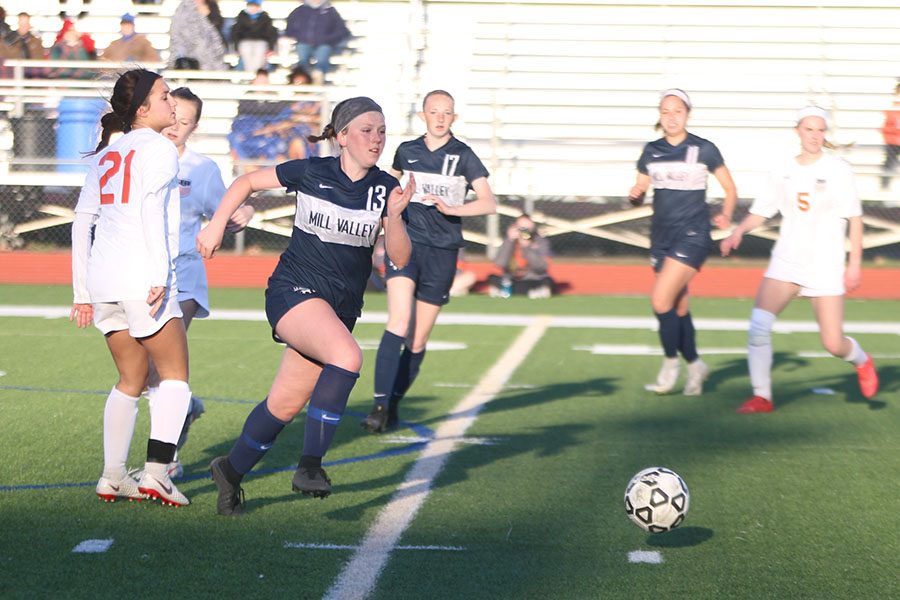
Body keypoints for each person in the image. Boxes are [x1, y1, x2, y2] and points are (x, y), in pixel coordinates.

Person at [199, 97, 414, 516]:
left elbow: (400, 259)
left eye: (382, 131)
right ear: (342, 135)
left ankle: (230, 471)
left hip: (338, 308)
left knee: (284, 404)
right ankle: (310, 466)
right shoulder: (313, 170)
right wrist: (215, 224)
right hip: (293, 290)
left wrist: (396, 218)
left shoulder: (386, 189)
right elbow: (245, 184)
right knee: (348, 357)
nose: (376, 139)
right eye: (367, 130)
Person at [70, 68, 192, 506]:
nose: (172, 104)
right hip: (142, 277)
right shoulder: (159, 148)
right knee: (175, 377)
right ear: (142, 109)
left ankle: (112, 475)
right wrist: (159, 274)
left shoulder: (108, 153)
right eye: (163, 98)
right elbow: (147, 211)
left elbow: (83, 221)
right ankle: (157, 473)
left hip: (104, 278)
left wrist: (81, 291)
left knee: (130, 378)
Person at [720, 106, 879, 413]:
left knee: (833, 344)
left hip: (826, 265)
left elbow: (855, 220)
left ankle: (862, 360)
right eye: (809, 129)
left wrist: (854, 265)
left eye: (820, 130)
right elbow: (762, 210)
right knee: (758, 326)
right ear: (798, 131)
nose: (815, 136)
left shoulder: (838, 169)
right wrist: (737, 232)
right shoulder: (783, 169)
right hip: (787, 262)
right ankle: (761, 396)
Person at [360, 89, 496, 434]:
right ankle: (378, 405)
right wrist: (380, 224)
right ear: (422, 116)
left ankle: (393, 404)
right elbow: (387, 189)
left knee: (418, 341)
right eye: (433, 111)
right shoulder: (407, 151)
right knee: (399, 320)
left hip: (444, 250)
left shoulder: (464, 156)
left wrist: (454, 209)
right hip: (407, 244)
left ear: (454, 117)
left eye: (446, 112)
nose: (439, 117)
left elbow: (488, 203)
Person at [145, 87, 255, 478]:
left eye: (186, 121)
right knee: (141, 375)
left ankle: (165, 459)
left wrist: (241, 212)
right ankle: (185, 408)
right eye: (173, 115)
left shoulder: (201, 168)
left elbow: (228, 208)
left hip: (184, 276)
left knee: (162, 368)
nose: (176, 126)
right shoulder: (138, 157)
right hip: (140, 277)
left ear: (195, 127)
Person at [628, 88, 737, 396]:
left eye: (677, 111)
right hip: (661, 237)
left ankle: (669, 364)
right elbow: (639, 188)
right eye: (666, 112)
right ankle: (695, 366)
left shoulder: (704, 149)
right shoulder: (651, 150)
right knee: (677, 308)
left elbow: (730, 189)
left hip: (693, 235)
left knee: (660, 301)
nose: (671, 117)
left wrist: (726, 215)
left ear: (687, 114)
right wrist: (634, 194)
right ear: (659, 116)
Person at [487, 213, 554, 298]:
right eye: (521, 228)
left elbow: (541, 267)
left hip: (532, 279)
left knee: (547, 281)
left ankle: (534, 292)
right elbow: (499, 263)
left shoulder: (540, 242)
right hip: (511, 279)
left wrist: (527, 247)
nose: (524, 232)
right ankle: (510, 291)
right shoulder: (509, 241)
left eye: (527, 229)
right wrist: (509, 241)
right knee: (493, 278)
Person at [284, 0, 350, 85]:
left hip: (324, 44)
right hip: (303, 42)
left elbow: (342, 30)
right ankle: (304, 81)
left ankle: (318, 82)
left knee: (322, 59)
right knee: (302, 60)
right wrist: (298, 37)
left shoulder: (330, 12)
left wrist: (328, 39)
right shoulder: (299, 11)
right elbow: (290, 28)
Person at [168, 0, 226, 71]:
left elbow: (218, 32)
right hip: (191, 57)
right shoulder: (184, 9)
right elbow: (179, 34)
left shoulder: (213, 6)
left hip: (214, 54)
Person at [230, 0, 278, 74]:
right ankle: (251, 74)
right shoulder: (241, 17)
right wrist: (236, 47)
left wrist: (270, 48)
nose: (253, 8)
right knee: (246, 50)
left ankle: (255, 73)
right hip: (245, 41)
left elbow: (270, 33)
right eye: (251, 6)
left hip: (261, 41)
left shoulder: (265, 17)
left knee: (260, 52)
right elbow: (236, 33)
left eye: (255, 6)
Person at [879, 82, 900, 191]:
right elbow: (886, 127)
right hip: (893, 141)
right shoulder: (892, 109)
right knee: (888, 164)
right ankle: (884, 187)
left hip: (895, 140)